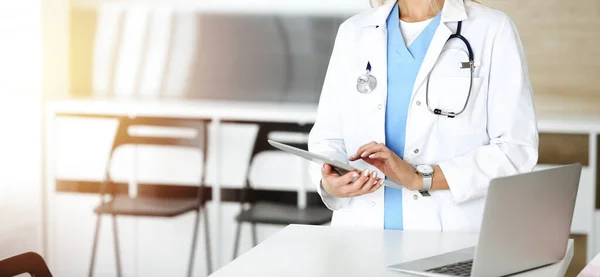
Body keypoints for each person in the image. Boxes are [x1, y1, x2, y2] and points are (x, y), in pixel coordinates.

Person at [308, 0, 538, 231]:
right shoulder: (354, 31)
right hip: (359, 233)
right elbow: (328, 138)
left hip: (450, 234)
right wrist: (331, 182)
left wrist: (420, 178)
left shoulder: (491, 29)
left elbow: (516, 149)